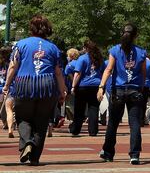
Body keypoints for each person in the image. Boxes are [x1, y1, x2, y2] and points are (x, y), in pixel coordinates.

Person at [1, 15, 67, 166]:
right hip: (47, 85)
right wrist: (62, 91)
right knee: (42, 122)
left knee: (23, 118)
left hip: (24, 84)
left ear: (31, 28)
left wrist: (6, 85)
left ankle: (27, 143)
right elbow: (58, 72)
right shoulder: (53, 47)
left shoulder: (21, 45)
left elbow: (13, 66)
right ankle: (35, 157)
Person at [97, 23, 147, 164]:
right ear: (136, 36)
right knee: (135, 123)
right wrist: (141, 87)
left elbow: (109, 69)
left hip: (118, 89)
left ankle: (108, 153)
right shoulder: (141, 52)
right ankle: (134, 154)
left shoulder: (115, 50)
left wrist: (101, 87)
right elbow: (144, 73)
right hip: (135, 90)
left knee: (113, 123)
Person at [70, 40, 105, 136]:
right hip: (96, 86)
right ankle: (93, 130)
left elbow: (77, 73)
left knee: (79, 109)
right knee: (94, 108)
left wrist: (73, 86)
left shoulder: (82, 58)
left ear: (86, 48)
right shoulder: (100, 59)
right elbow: (103, 72)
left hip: (83, 86)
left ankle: (76, 129)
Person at [0, 45, 13, 137]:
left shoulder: (9, 63)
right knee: (8, 109)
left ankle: (8, 126)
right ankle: (9, 127)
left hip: (6, 88)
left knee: (7, 108)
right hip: (9, 88)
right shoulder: (13, 63)